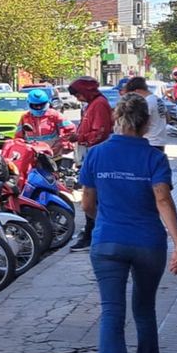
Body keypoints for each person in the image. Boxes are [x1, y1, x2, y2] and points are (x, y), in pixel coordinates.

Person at [78, 94, 177, 353]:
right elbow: (163, 200)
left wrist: (106, 222)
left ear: (117, 119)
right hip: (148, 243)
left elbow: (86, 203)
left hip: (107, 242)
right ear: (147, 123)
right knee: (144, 309)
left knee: (112, 311)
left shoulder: (96, 154)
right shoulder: (154, 158)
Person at [67, 77, 113, 251]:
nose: (78, 98)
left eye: (78, 94)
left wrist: (80, 138)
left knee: (91, 197)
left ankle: (92, 233)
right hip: (92, 154)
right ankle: (92, 231)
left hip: (97, 155)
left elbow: (100, 132)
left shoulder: (99, 104)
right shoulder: (92, 104)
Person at [124, 76, 165, 149]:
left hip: (150, 141)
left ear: (137, 91)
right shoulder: (158, 99)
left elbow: (143, 122)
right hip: (160, 140)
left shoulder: (146, 102)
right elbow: (167, 117)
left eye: (132, 94)